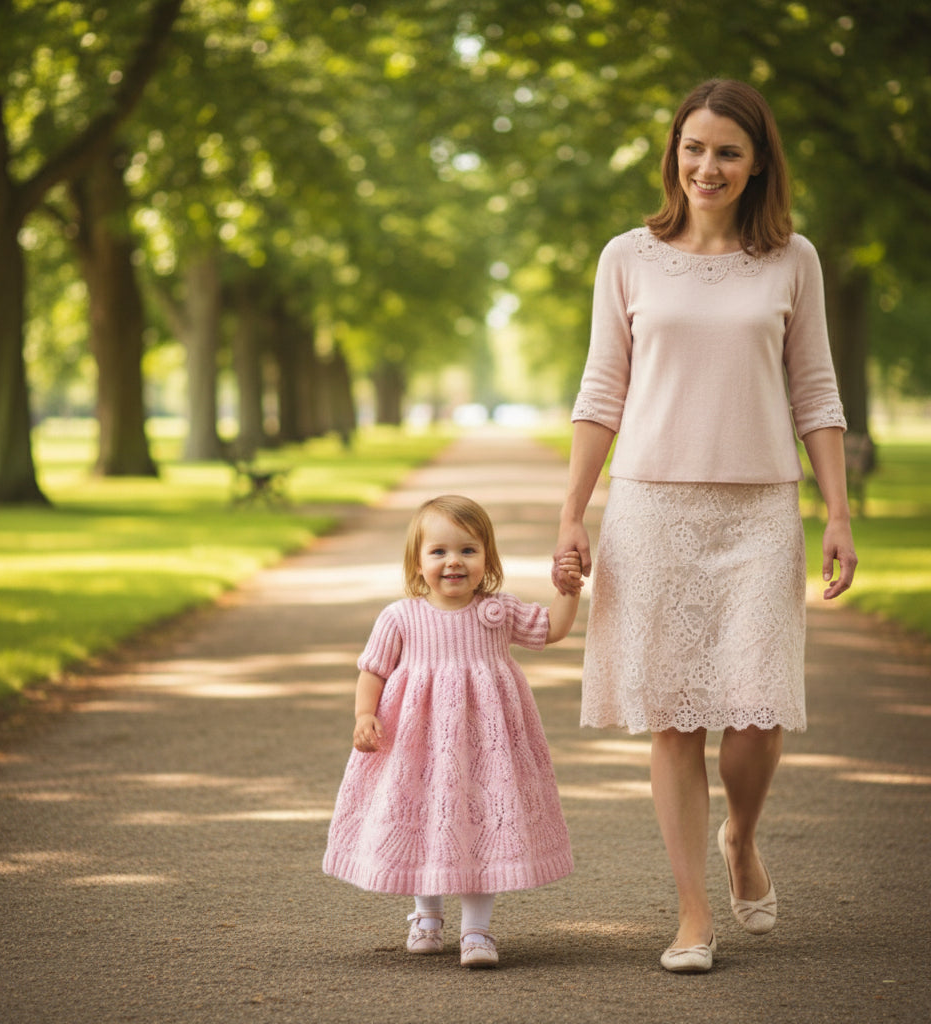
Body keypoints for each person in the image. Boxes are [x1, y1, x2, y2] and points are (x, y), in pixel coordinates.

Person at [553, 78, 857, 974]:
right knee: (673, 720)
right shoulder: (628, 257)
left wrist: (837, 511)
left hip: (761, 509)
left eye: (727, 150)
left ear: (757, 160)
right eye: (693, 148)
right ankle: (691, 914)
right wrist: (572, 513)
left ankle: (743, 837)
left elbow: (817, 390)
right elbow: (600, 390)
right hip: (650, 508)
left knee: (758, 711)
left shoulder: (793, 259)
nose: (707, 166)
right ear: (672, 155)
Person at [324, 494, 583, 968]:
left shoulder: (499, 611)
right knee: (428, 816)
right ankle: (426, 916)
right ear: (418, 561)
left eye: (468, 550)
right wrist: (365, 715)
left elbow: (552, 630)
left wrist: (567, 589)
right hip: (418, 744)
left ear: (487, 558)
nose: (453, 562)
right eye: (438, 552)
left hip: (487, 746)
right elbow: (373, 671)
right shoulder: (401, 617)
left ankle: (477, 931)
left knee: (480, 819)